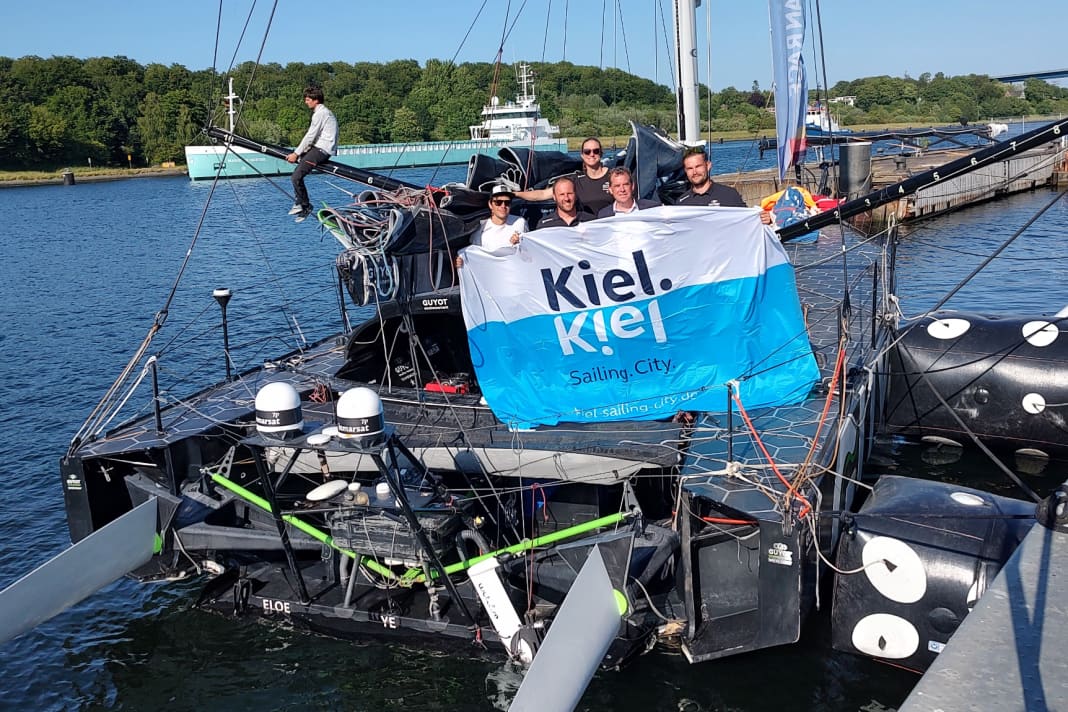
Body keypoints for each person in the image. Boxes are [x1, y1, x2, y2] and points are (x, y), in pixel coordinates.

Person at [675, 146, 773, 224]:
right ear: (685, 171)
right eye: (690, 168)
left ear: (708, 166)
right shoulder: (681, 203)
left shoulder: (729, 195)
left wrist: (765, 220)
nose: (695, 172)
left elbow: (748, 222)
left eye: (698, 166)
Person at [515, 137, 612, 216]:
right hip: (585, 228)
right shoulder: (575, 180)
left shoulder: (613, 177)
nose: (592, 154)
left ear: (601, 153)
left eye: (596, 151)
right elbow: (543, 194)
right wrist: (516, 194)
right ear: (582, 155)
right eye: (587, 151)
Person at [286, 86, 338, 223]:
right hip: (320, 148)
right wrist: (302, 152)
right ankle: (302, 205)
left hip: (322, 150)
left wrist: (296, 154)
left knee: (296, 177)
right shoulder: (324, 112)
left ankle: (304, 205)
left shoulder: (320, 113)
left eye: (308, 99)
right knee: (298, 174)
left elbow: (310, 136)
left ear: (316, 100)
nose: (306, 102)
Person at [456, 185, 527, 267]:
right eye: (498, 202)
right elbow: (474, 256)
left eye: (507, 202)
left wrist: (521, 244)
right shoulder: (480, 229)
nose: (503, 206)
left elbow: (529, 253)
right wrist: (461, 260)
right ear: (490, 204)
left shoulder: (520, 222)